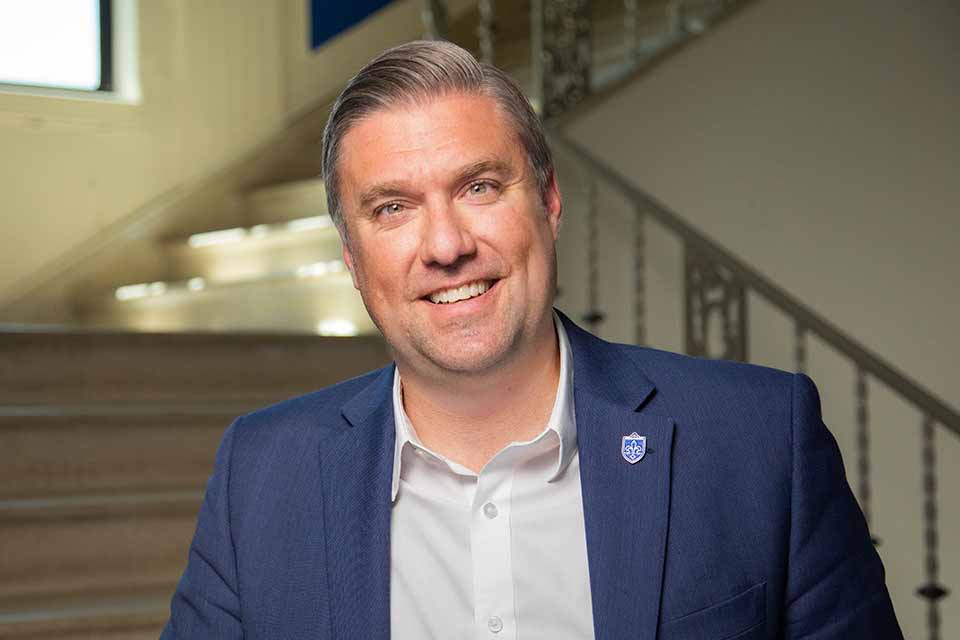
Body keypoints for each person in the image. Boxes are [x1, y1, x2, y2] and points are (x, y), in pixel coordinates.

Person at [162, 40, 902, 639]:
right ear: (353, 260)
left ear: (548, 201)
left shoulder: (760, 440)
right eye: (393, 208)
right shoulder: (260, 475)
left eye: (479, 187)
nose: (445, 245)